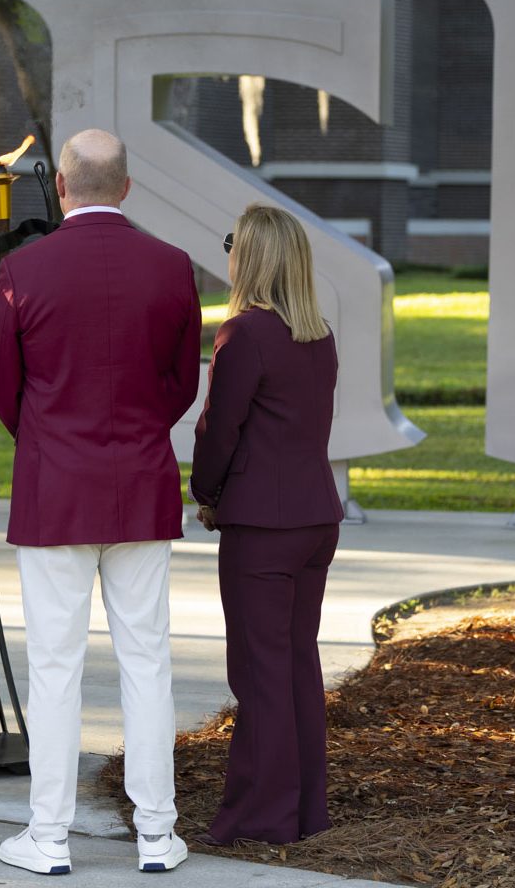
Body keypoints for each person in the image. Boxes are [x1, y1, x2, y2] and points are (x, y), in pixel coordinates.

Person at [0, 128, 201, 876]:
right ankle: (156, 833)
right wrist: (138, 430)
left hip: (55, 488)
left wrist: (49, 439)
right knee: (147, 661)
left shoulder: (23, 268)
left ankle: (48, 836)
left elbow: (5, 389)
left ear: (63, 189)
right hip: (140, 481)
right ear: (128, 188)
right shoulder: (171, 266)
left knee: (54, 665)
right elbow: (182, 383)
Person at [190, 204, 343, 847]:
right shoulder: (319, 334)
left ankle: (265, 816)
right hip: (315, 519)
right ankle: (306, 810)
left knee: (259, 673)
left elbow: (219, 430)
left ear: (248, 257)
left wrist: (204, 492)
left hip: (263, 526)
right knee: (295, 665)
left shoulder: (244, 335)